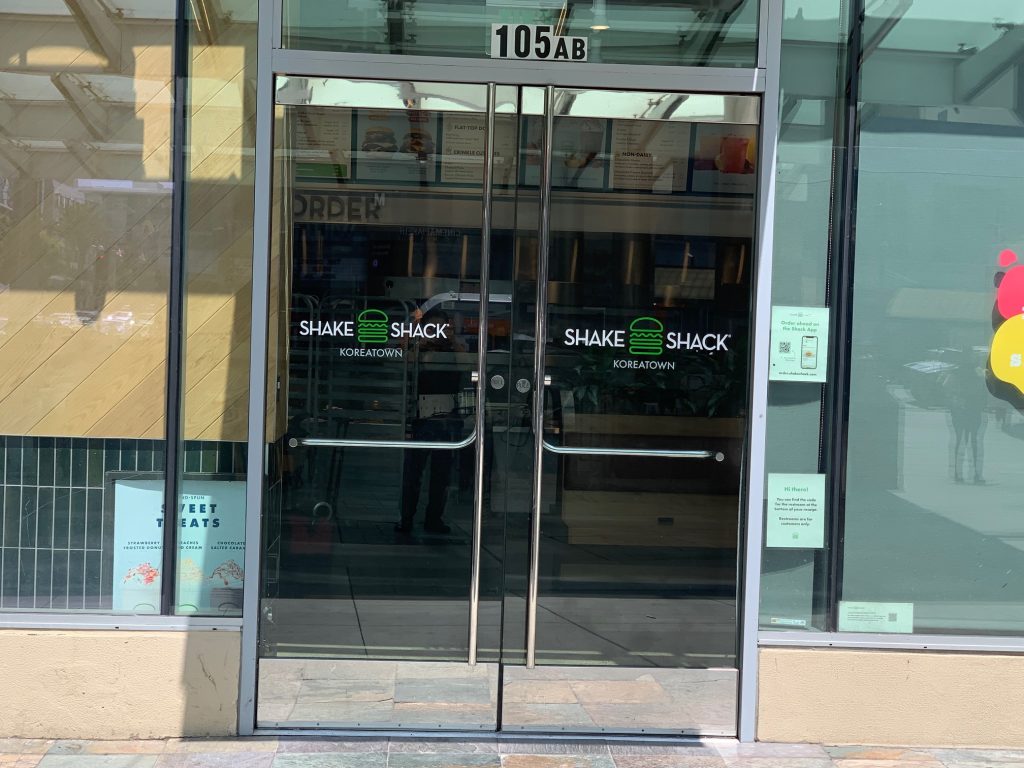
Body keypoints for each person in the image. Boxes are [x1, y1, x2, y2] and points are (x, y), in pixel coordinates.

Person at [396, 307, 467, 535]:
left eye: (441, 328)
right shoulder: (420, 348)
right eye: (432, 328)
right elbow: (405, 359)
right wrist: (419, 337)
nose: (437, 333)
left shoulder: (454, 349)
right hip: (422, 417)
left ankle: (433, 518)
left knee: (441, 474)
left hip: (446, 417)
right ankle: (407, 518)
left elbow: (467, 365)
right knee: (413, 472)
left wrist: (451, 339)